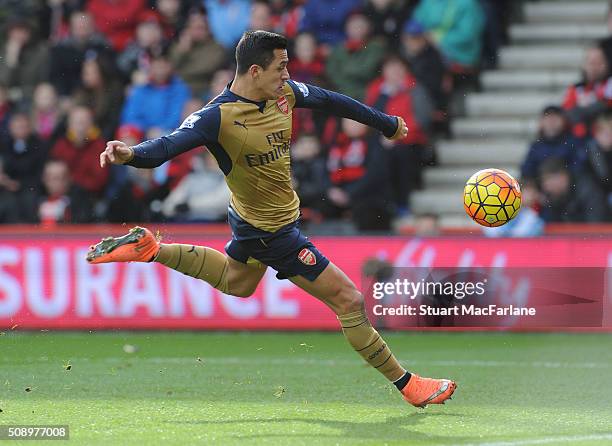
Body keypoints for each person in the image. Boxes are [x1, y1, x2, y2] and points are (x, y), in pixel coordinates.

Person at [86, 30, 456, 408]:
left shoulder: (284, 94)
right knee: (350, 300)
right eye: (280, 67)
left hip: (251, 219)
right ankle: (408, 384)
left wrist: (384, 123)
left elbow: (331, 100)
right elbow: (166, 146)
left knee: (238, 282)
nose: (287, 75)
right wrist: (130, 154)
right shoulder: (217, 117)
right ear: (254, 70)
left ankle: (151, 249)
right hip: (271, 231)